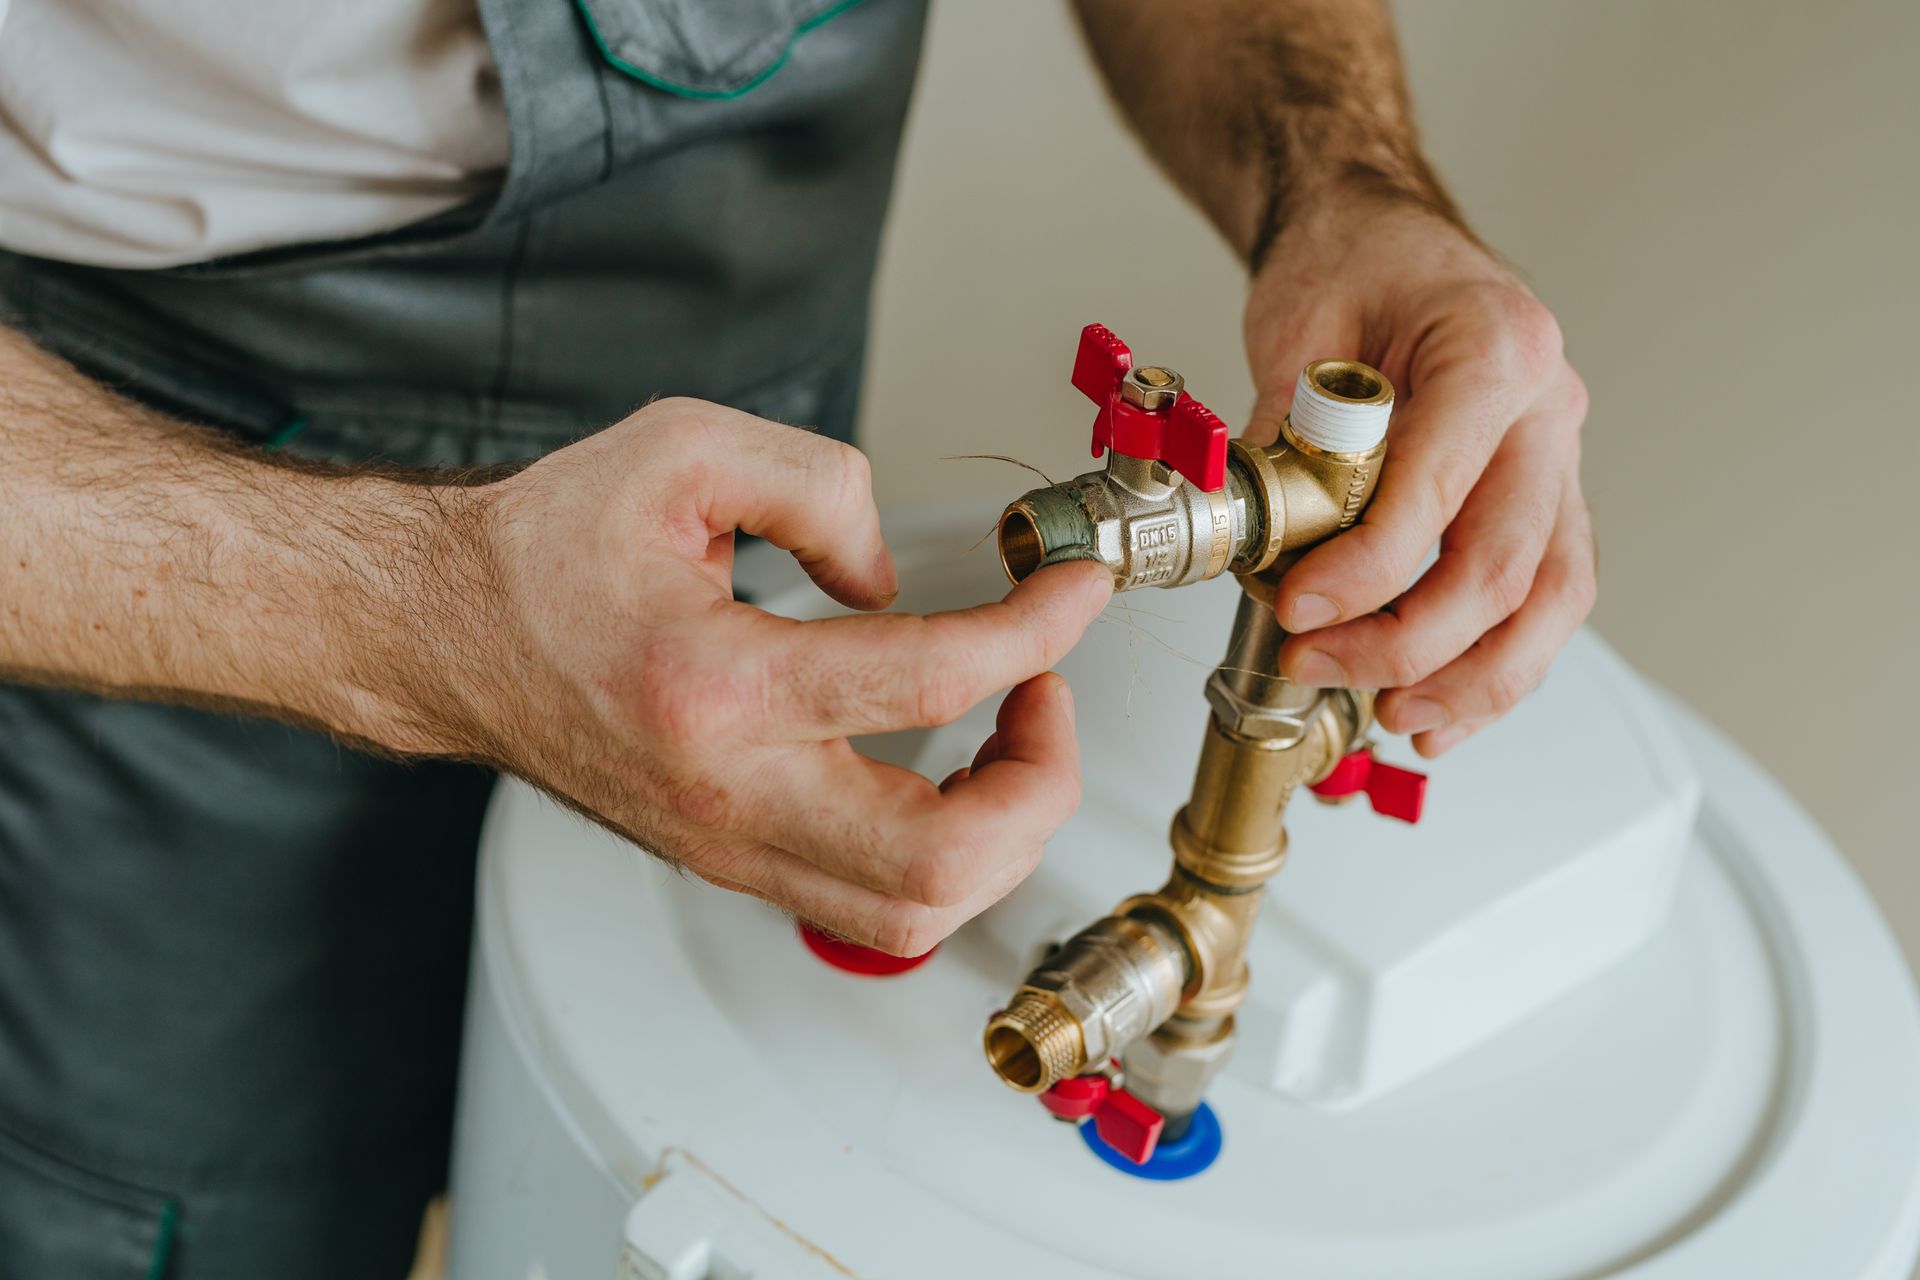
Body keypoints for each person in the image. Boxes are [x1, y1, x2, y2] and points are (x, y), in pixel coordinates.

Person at [0, 0, 1594, 1274]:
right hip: (138, 457)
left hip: (761, 342)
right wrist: (421, 609)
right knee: (176, 1215)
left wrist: (1344, 177)